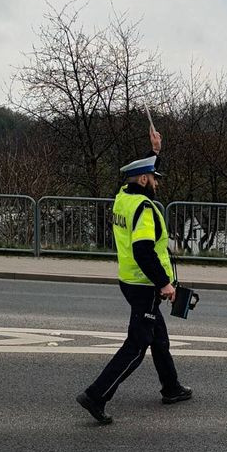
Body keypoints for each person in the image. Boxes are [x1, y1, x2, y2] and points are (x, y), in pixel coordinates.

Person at [76, 126, 192, 425]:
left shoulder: (123, 197)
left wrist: (155, 151)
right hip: (144, 284)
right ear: (143, 180)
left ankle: (171, 387)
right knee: (138, 346)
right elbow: (143, 250)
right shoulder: (145, 209)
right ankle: (96, 395)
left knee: (159, 338)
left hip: (128, 280)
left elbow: (140, 171)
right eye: (154, 177)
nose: (157, 182)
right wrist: (164, 284)